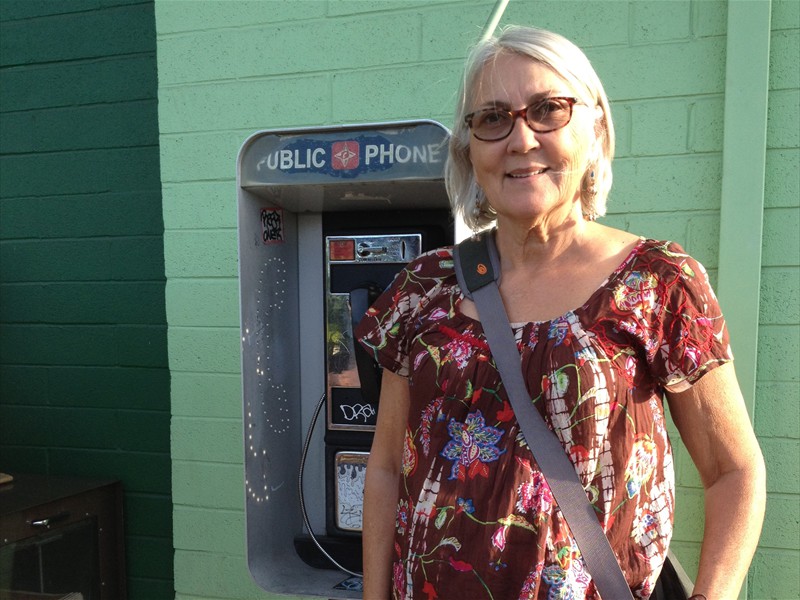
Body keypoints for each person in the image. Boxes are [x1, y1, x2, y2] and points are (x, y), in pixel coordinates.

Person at [356, 25, 765, 600]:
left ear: (595, 127)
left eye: (548, 109)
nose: (520, 140)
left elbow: (734, 472)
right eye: (493, 118)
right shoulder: (422, 291)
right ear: (469, 149)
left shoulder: (658, 282)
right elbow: (386, 468)